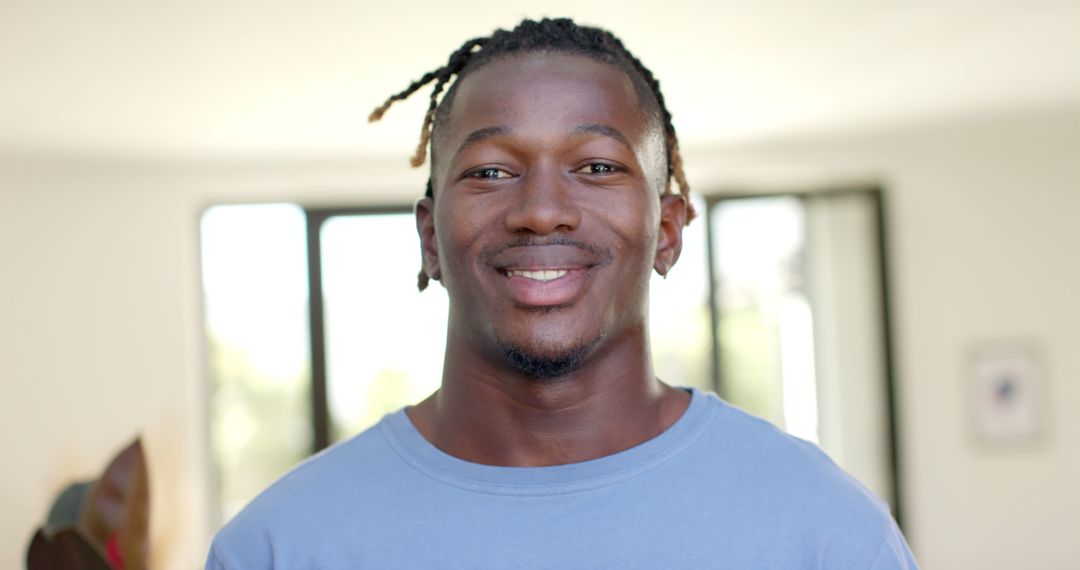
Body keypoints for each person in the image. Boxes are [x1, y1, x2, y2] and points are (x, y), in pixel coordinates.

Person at [207, 18, 918, 569]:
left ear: (667, 230)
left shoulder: (821, 531)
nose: (542, 209)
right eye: (489, 172)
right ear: (429, 237)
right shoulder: (281, 546)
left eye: (599, 165)